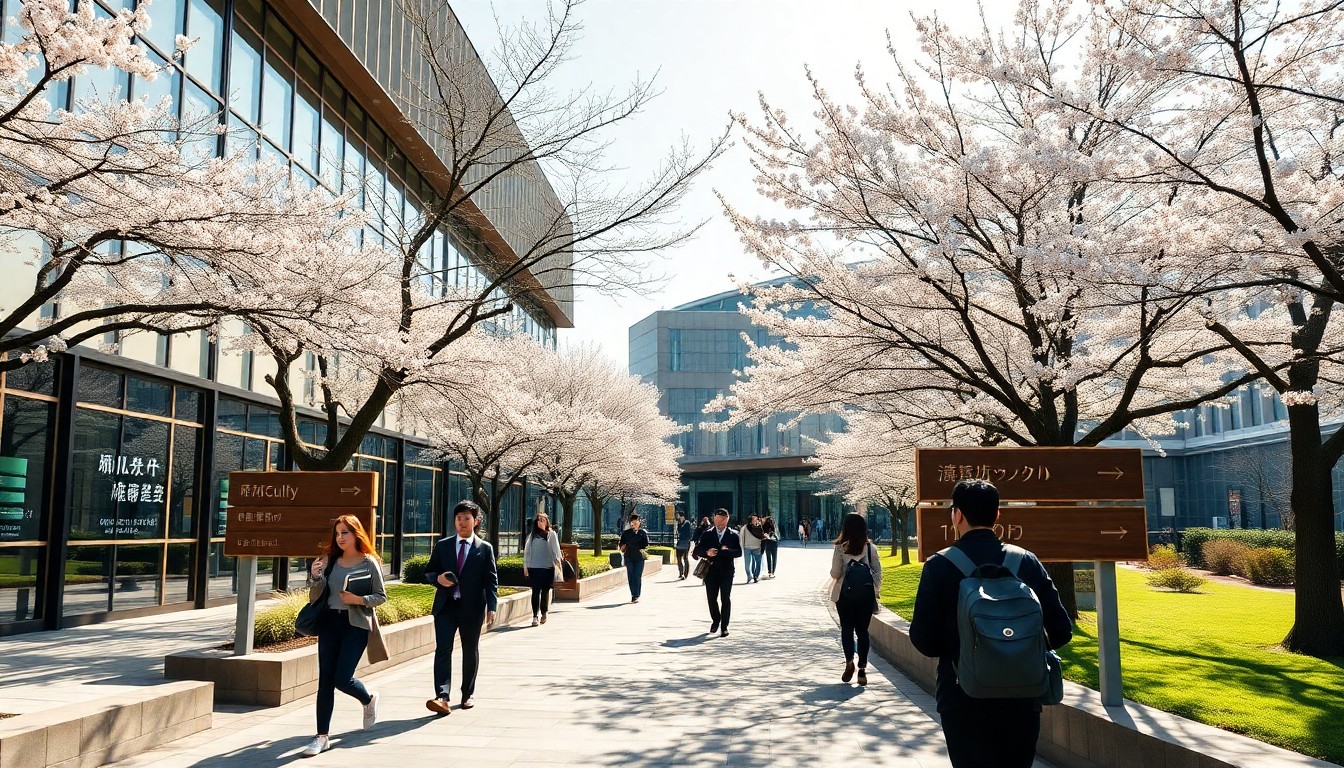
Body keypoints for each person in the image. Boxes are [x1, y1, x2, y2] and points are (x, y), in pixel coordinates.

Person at [909, 479, 1072, 768]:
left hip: (962, 697)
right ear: (997, 515)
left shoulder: (939, 565)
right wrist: (1016, 646)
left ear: (956, 515)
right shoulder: (1026, 561)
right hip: (1022, 697)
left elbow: (924, 640)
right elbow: (1061, 630)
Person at [302, 515, 387, 757]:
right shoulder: (329, 561)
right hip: (329, 622)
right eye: (337, 533)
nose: (340, 538)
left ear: (356, 534)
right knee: (325, 682)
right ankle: (322, 736)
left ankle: (368, 698)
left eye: (345, 533)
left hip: (356, 625)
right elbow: (314, 596)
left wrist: (358, 600)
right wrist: (316, 577)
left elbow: (381, 596)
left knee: (342, 678)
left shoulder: (369, 562)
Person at [424, 500, 498, 715]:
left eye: (467, 518)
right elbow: (429, 572)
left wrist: (492, 606)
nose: (462, 522)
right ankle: (442, 696)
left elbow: (491, 580)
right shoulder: (443, 545)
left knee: (469, 650)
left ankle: (467, 693)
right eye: (458, 519)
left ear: (475, 521)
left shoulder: (485, 549)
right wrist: (438, 578)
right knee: (443, 650)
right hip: (446, 607)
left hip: (472, 609)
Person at [830, 512, 882, 686]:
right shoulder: (870, 548)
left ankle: (849, 662)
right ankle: (862, 670)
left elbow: (835, 572)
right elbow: (878, 573)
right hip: (865, 596)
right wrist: (875, 591)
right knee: (862, 631)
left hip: (845, 595)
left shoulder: (840, 547)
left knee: (846, 629)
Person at [692, 508, 740, 637]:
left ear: (726, 519)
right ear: (714, 519)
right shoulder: (707, 534)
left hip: (726, 571)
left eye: (722, 519)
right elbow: (697, 551)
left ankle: (724, 626)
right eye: (716, 518)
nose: (719, 521)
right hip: (711, 570)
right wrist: (707, 553)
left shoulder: (733, 534)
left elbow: (738, 552)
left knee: (725, 598)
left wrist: (724, 551)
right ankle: (715, 620)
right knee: (711, 598)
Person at [522, 511, 562, 626]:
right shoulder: (532, 536)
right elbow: (527, 552)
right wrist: (526, 566)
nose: (540, 522)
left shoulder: (551, 534)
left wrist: (558, 562)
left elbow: (556, 550)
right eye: (538, 520)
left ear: (546, 522)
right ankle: (535, 616)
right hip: (534, 567)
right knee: (535, 592)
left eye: (542, 520)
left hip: (548, 567)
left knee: (545, 591)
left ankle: (544, 612)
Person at [619, 512, 650, 602]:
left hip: (639, 557)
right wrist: (623, 546)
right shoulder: (626, 533)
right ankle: (633, 593)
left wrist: (638, 533)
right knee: (631, 575)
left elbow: (645, 545)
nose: (634, 524)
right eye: (632, 522)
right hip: (629, 556)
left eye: (636, 522)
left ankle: (636, 594)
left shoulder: (642, 533)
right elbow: (621, 543)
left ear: (639, 523)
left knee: (637, 576)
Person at [739, 513, 765, 584]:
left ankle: (756, 576)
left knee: (758, 563)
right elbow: (741, 537)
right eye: (755, 518)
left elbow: (762, 537)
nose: (756, 520)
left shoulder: (760, 528)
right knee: (747, 565)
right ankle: (749, 576)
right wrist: (742, 546)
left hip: (757, 547)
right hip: (747, 547)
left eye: (756, 518)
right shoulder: (745, 527)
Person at [674, 511, 693, 580]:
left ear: (680, 515)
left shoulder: (687, 523)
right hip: (679, 542)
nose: (677, 516)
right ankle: (680, 572)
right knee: (678, 558)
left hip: (685, 542)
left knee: (685, 558)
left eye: (678, 515)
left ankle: (685, 574)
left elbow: (687, 532)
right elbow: (678, 531)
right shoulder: (679, 523)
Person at [761, 513, 779, 579]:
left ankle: (769, 572)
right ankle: (772, 572)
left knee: (769, 558)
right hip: (774, 543)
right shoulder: (774, 527)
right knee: (774, 558)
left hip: (768, 543)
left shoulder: (764, 527)